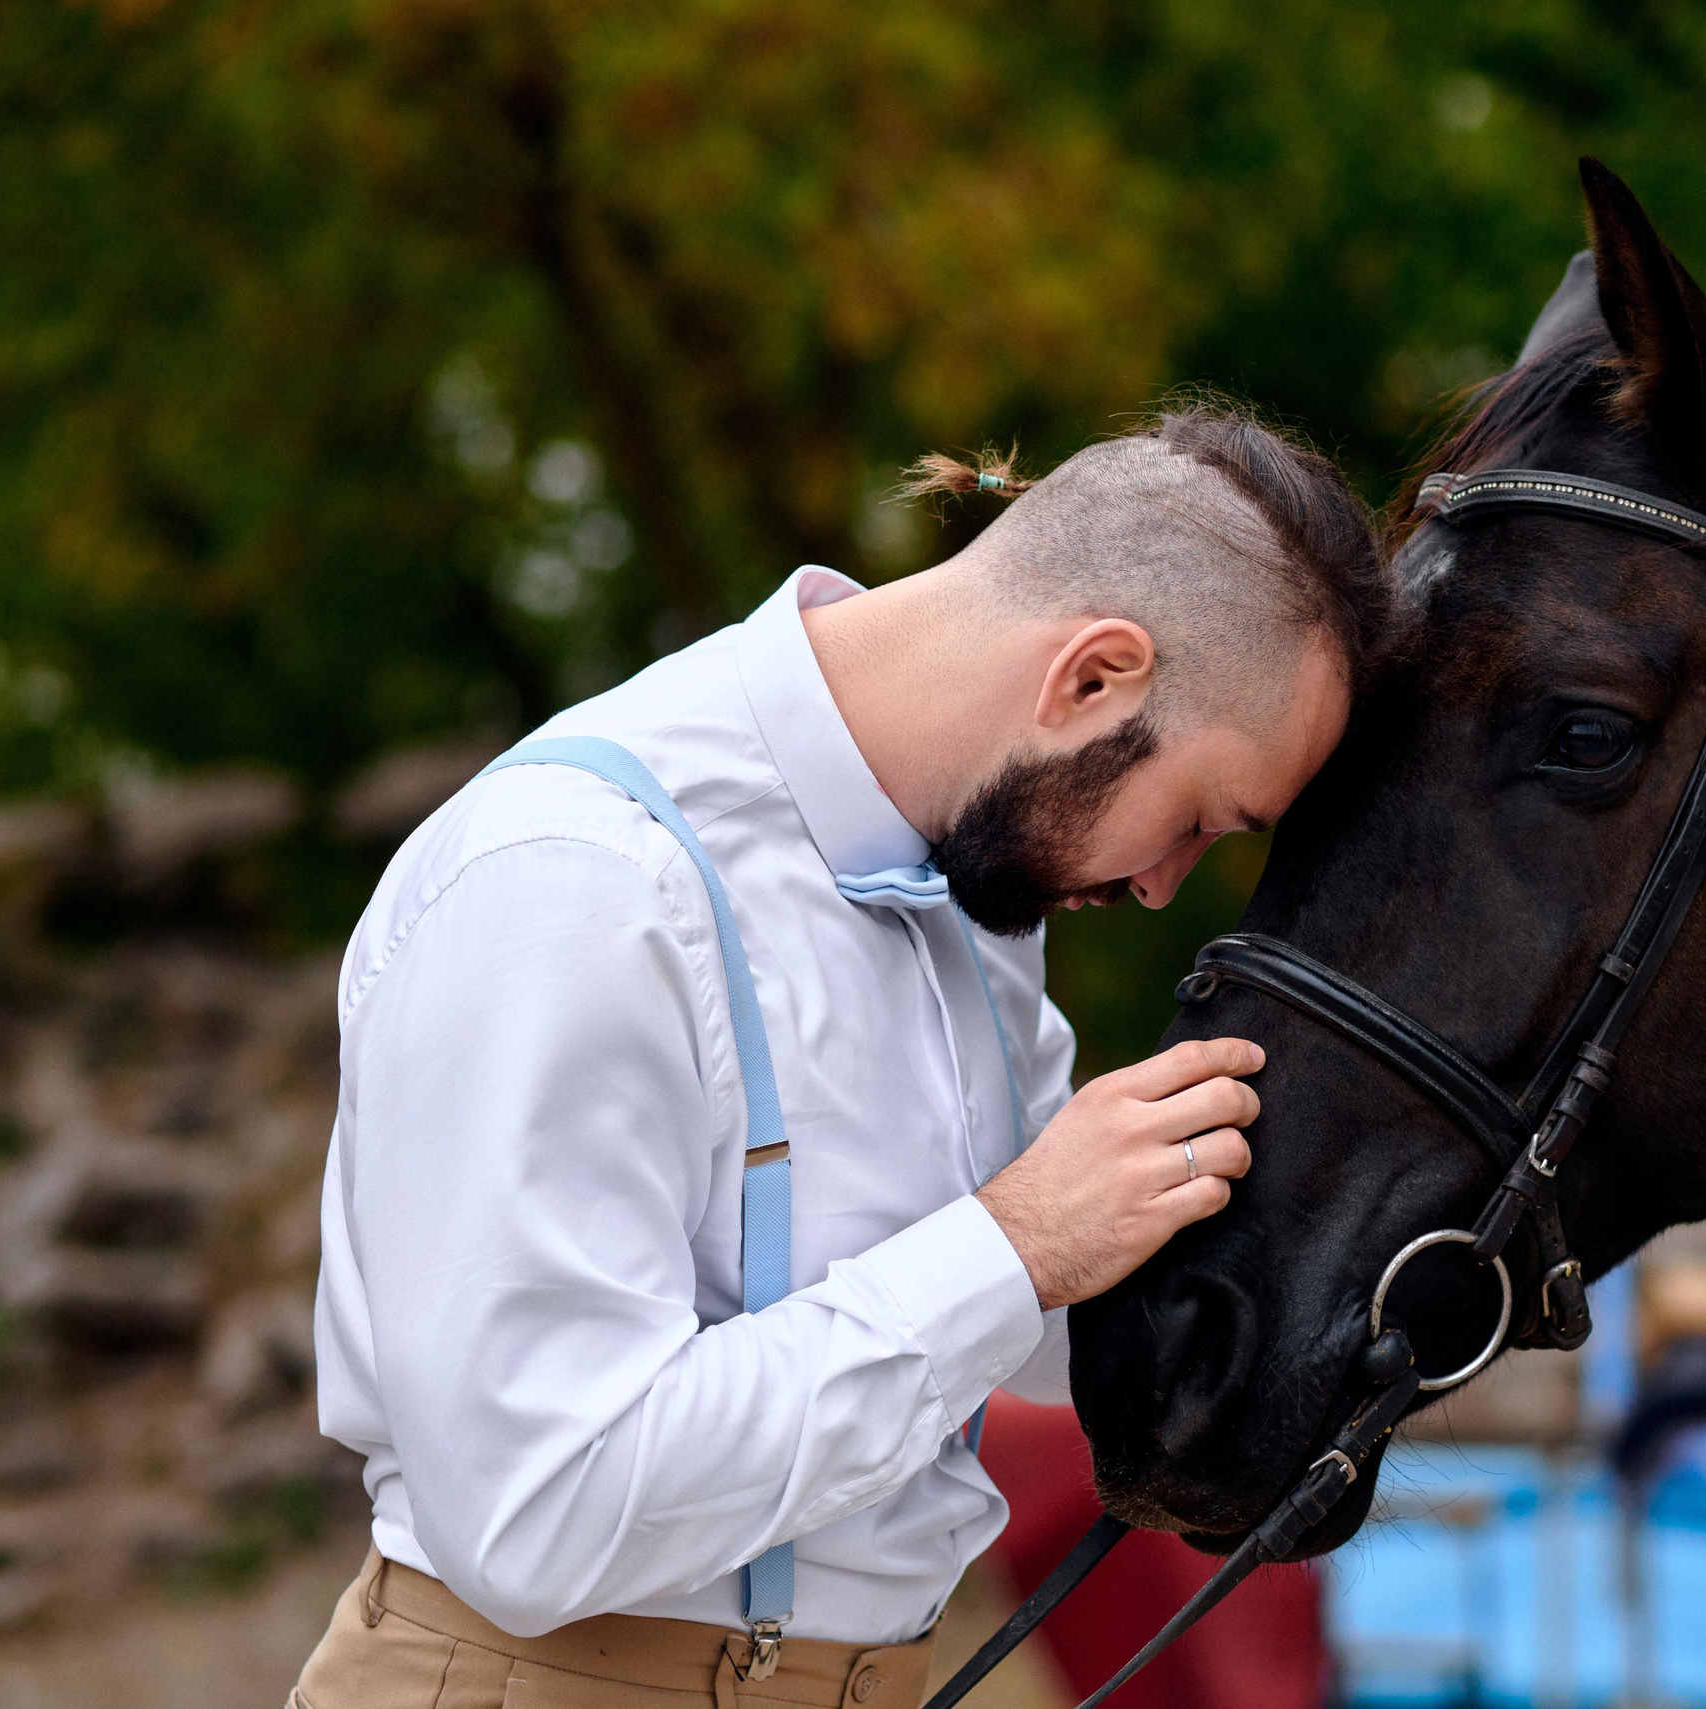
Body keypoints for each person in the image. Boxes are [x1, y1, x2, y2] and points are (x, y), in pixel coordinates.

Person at [290, 405, 1396, 1708]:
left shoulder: (982, 891)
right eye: (1200, 818)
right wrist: (1014, 1239)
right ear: (1091, 677)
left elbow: (1030, 1334)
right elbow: (537, 1513)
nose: (1164, 887)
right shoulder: (576, 882)